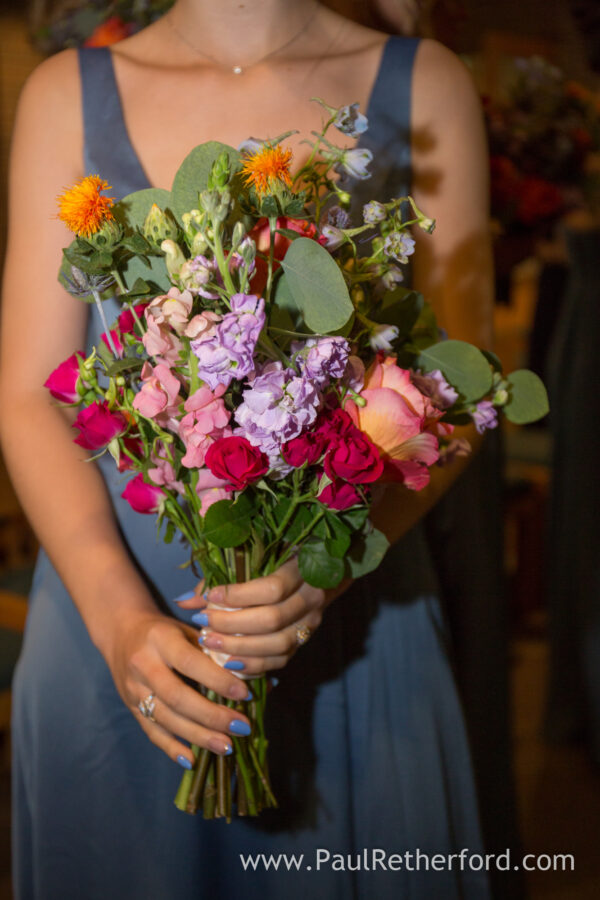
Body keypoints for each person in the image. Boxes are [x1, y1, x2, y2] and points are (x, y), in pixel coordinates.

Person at [1, 1, 494, 897]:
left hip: (352, 617)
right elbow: (29, 395)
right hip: (113, 613)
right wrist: (119, 625)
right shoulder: (64, 95)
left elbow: (462, 398)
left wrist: (324, 568)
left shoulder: (425, 84)